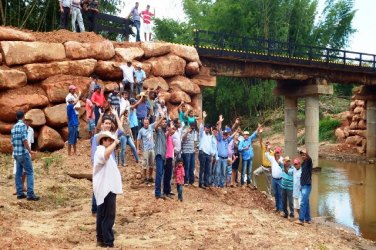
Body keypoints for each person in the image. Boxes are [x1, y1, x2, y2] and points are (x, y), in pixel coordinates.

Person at [93, 131, 122, 248]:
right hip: (106, 189)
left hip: (107, 188)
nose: (111, 143)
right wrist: (114, 143)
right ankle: (108, 241)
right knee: (109, 216)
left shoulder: (106, 153)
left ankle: (101, 239)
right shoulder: (100, 150)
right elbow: (104, 155)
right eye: (109, 141)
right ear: (103, 141)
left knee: (103, 215)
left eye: (111, 141)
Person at [11, 110, 39, 201]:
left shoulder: (13, 127)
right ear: (23, 117)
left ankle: (20, 193)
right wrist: (30, 151)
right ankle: (30, 194)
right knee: (30, 172)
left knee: (18, 173)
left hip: (16, 153)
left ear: (16, 117)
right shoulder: (23, 126)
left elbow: (12, 142)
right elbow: (25, 140)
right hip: (23, 153)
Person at [296, 148, 313, 225]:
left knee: (303, 202)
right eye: (302, 155)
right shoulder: (303, 164)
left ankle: (301, 220)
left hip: (307, 185)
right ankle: (308, 219)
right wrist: (300, 185)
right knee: (306, 202)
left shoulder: (309, 162)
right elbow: (302, 175)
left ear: (306, 154)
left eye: (304, 154)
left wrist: (306, 152)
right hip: (303, 185)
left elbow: (309, 158)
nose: (303, 156)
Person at [253, 128, 272, 192]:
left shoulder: (272, 152)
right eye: (266, 144)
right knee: (255, 173)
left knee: (268, 183)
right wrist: (260, 133)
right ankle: (255, 186)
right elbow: (260, 141)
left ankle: (269, 195)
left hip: (269, 169)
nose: (267, 145)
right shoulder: (264, 149)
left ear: (270, 145)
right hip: (263, 167)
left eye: (268, 144)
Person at [137, 118, 155, 184]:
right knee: (145, 164)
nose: (146, 124)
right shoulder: (141, 131)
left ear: (149, 123)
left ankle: (150, 177)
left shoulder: (151, 127)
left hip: (152, 148)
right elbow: (138, 139)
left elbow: (157, 123)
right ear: (143, 123)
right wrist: (138, 148)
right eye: (145, 123)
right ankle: (145, 177)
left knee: (152, 164)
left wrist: (162, 116)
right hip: (145, 149)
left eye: (147, 123)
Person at [265, 146, 283, 213]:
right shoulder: (272, 159)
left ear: (280, 153)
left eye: (278, 152)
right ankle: (277, 207)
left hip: (280, 180)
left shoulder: (282, 159)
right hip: (274, 179)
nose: (277, 154)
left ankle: (281, 209)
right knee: (275, 194)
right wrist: (268, 148)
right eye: (276, 152)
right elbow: (266, 154)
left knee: (280, 194)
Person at [154, 116, 168, 199]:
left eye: (165, 122)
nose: (164, 123)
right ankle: (157, 193)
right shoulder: (158, 130)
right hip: (159, 155)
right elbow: (155, 126)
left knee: (161, 174)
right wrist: (161, 118)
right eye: (163, 122)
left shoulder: (165, 133)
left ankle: (159, 192)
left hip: (163, 155)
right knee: (159, 174)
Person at [198, 111, 212, 189]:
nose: (207, 129)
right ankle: (201, 183)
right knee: (202, 168)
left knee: (207, 169)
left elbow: (210, 146)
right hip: (202, 153)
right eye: (207, 128)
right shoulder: (202, 134)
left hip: (208, 154)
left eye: (208, 128)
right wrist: (204, 118)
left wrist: (211, 154)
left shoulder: (210, 136)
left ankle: (206, 183)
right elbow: (201, 126)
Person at [164, 123, 176, 198]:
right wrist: (170, 127)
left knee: (169, 175)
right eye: (172, 129)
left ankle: (168, 190)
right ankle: (166, 191)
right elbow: (168, 132)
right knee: (166, 175)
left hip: (170, 158)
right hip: (167, 158)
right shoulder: (167, 135)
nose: (173, 131)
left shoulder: (171, 137)